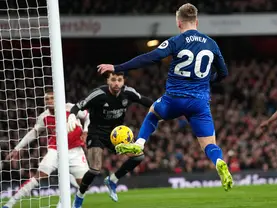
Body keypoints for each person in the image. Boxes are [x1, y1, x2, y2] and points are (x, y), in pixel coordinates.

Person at [97, 3, 233, 192]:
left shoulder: (176, 41)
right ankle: (219, 161)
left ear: (178, 23)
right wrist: (209, 80)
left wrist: (117, 67)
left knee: (153, 113)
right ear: (197, 21)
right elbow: (224, 73)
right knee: (209, 144)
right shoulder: (211, 43)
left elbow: (150, 57)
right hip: (199, 102)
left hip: (174, 99)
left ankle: (139, 143)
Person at [68, 71, 153, 208]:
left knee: (138, 156)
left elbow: (146, 101)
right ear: (108, 81)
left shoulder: (128, 93)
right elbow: (78, 106)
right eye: (113, 80)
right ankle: (80, 196)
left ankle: (112, 180)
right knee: (95, 169)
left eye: (119, 80)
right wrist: (72, 115)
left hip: (115, 135)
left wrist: (162, 109)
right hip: (96, 133)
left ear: (123, 81)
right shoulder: (98, 94)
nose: (116, 83)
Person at [2, 90, 90, 208]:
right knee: (40, 175)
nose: (49, 101)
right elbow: (34, 133)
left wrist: (85, 131)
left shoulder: (70, 108)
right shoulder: (44, 117)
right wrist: (17, 148)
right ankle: (9, 204)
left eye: (52, 98)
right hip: (55, 149)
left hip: (75, 150)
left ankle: (71, 199)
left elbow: (88, 116)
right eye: (47, 99)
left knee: (84, 185)